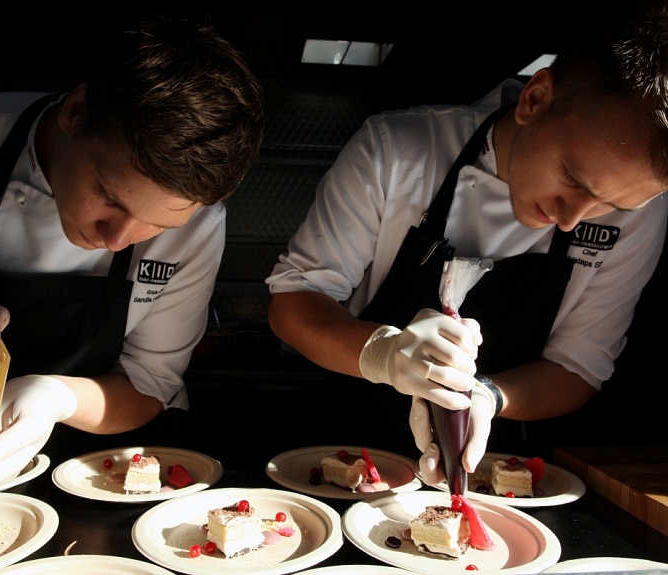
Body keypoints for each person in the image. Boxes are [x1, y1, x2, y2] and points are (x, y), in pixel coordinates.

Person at [266, 5, 668, 485]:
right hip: (349, 447)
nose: (569, 221)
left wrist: (485, 397)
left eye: (611, 206)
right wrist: (385, 354)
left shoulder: (643, 214)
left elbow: (577, 368)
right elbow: (293, 304)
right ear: (535, 99)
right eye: (572, 178)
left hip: (492, 465)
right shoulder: (396, 150)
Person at [0, 17, 264, 491]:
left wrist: (56, 397)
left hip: (89, 472)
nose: (118, 239)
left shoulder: (201, 226)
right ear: (75, 111)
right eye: (111, 197)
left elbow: (149, 383)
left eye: (157, 225)